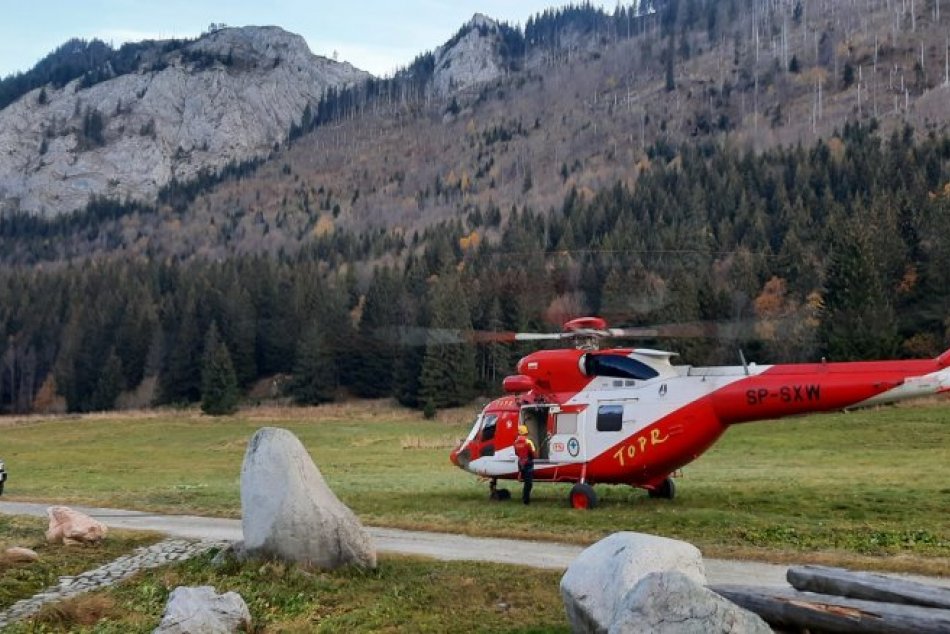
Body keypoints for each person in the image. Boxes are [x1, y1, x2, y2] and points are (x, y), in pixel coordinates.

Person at [513, 424, 536, 505]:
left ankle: (519, 474)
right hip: (528, 464)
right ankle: (526, 500)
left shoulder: (515, 442)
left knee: (525, 481)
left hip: (520, 464)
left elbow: (516, 453)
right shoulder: (528, 442)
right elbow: (533, 454)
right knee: (528, 483)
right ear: (526, 433)